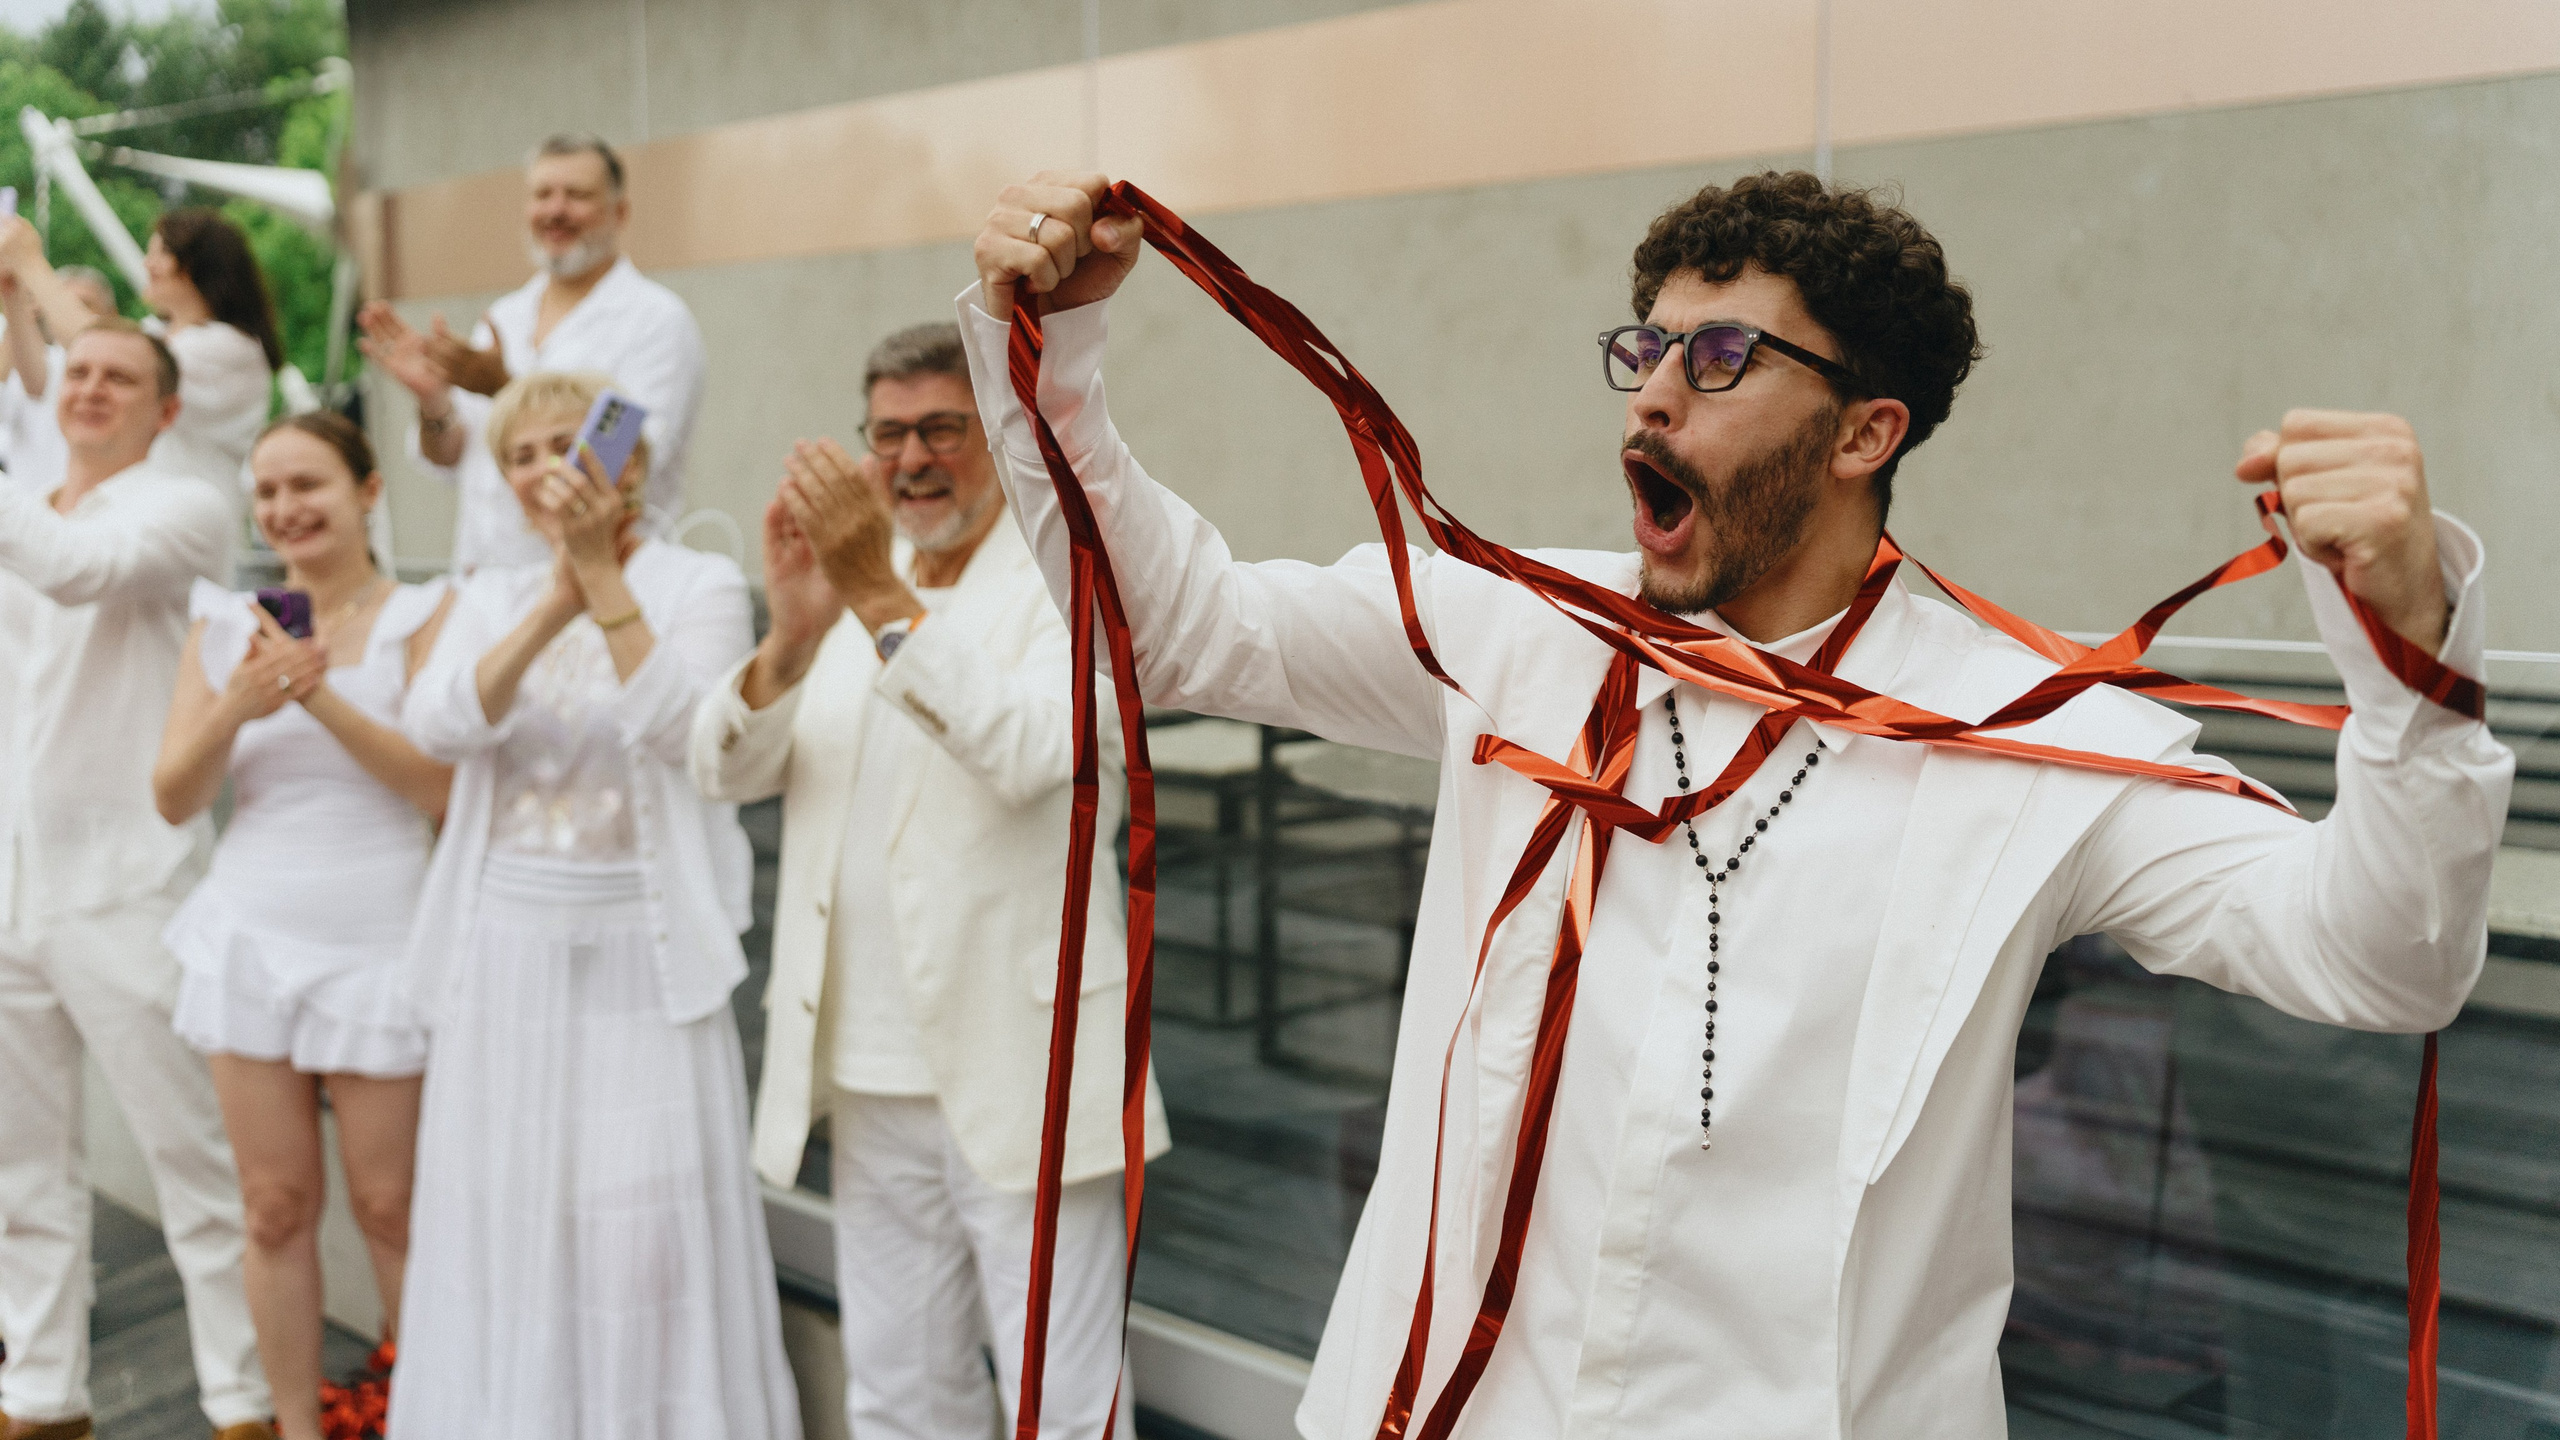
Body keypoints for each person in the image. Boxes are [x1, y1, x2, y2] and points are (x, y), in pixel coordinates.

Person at [961, 171, 2516, 1438]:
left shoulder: (2024, 737)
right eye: (1644, 350)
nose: (1652, 399)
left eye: (1717, 360)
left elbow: (2378, 959)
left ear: (1864, 432)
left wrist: (2407, 648)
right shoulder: (1517, 629)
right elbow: (1176, 626)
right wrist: (1054, 354)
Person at [690, 323, 1168, 1440]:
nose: (912, 458)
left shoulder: (1075, 579)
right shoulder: (856, 589)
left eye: (943, 429)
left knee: (1064, 1406)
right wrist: (791, 638)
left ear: (1000, 437)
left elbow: (1030, 754)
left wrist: (871, 593)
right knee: (899, 1397)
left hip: (1027, 1064)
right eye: (889, 433)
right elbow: (721, 772)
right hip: (867, 1071)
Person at [389, 370, 797, 1438]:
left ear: (625, 461)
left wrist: (602, 586)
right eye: (519, 456)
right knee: (508, 1212)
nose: (543, 472)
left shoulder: (698, 581)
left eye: (565, 446)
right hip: (503, 949)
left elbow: (687, 736)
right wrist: (548, 610)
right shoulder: (487, 592)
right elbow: (437, 725)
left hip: (643, 954)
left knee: (641, 1231)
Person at [151, 412, 454, 1440]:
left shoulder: (426, 616)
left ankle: (429, 1416)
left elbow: (441, 791)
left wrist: (316, 696)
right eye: (268, 491)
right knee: (273, 1207)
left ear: (368, 490)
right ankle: (291, 1424)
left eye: (308, 485)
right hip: (251, 935)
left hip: (379, 938)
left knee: (392, 1208)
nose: (285, 508)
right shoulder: (222, 626)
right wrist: (237, 703)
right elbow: (174, 797)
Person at [0, 319, 274, 1439]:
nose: (91, 389)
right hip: (15, 882)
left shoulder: (185, 505)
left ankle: (243, 1403)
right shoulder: (30, 505)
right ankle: (41, 1398)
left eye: (121, 377)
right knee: (22, 1175)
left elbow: (81, 573)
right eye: (78, 373)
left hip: (131, 885)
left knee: (193, 1164)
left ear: (166, 411)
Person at [357, 133, 706, 571]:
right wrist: (433, 402)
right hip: (482, 582)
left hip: (596, 581)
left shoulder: (656, 321)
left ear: (620, 212)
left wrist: (504, 389)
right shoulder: (505, 316)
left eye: (577, 195)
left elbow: (626, 455)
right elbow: (451, 461)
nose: (556, 210)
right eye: (543, 195)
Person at [1, 265, 117, 494]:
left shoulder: (129, 367)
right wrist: (16, 304)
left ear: (111, 313)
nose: (65, 313)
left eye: (83, 305)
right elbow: (35, 384)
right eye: (58, 304)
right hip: (33, 506)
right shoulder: (32, 362)